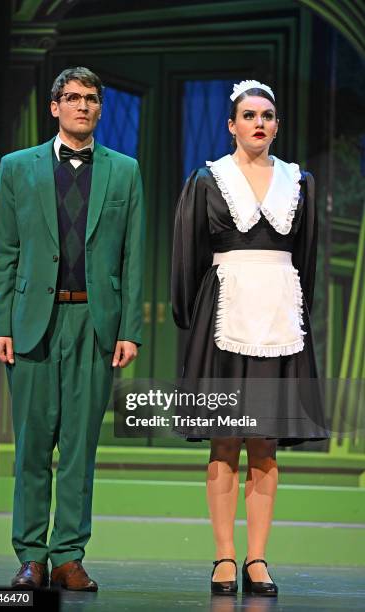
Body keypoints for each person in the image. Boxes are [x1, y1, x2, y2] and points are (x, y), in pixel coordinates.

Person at [0, 67, 145, 591]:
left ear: (100, 109)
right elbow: (2, 253)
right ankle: (31, 555)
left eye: (91, 99)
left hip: (94, 323)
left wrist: (129, 328)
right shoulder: (17, 168)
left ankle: (68, 556)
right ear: (54, 107)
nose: (82, 105)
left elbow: (132, 257)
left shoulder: (124, 171)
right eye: (72, 98)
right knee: (33, 444)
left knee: (80, 446)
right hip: (34, 322)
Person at [171, 80, 329, 597]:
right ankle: (223, 556)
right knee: (225, 438)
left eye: (267, 115)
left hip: (280, 316)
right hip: (224, 315)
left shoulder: (298, 181)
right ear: (232, 125)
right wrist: (191, 322)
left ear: (276, 125)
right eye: (249, 114)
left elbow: (307, 257)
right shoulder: (208, 179)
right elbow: (188, 257)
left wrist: (303, 316)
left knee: (264, 443)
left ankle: (257, 558)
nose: (259, 122)